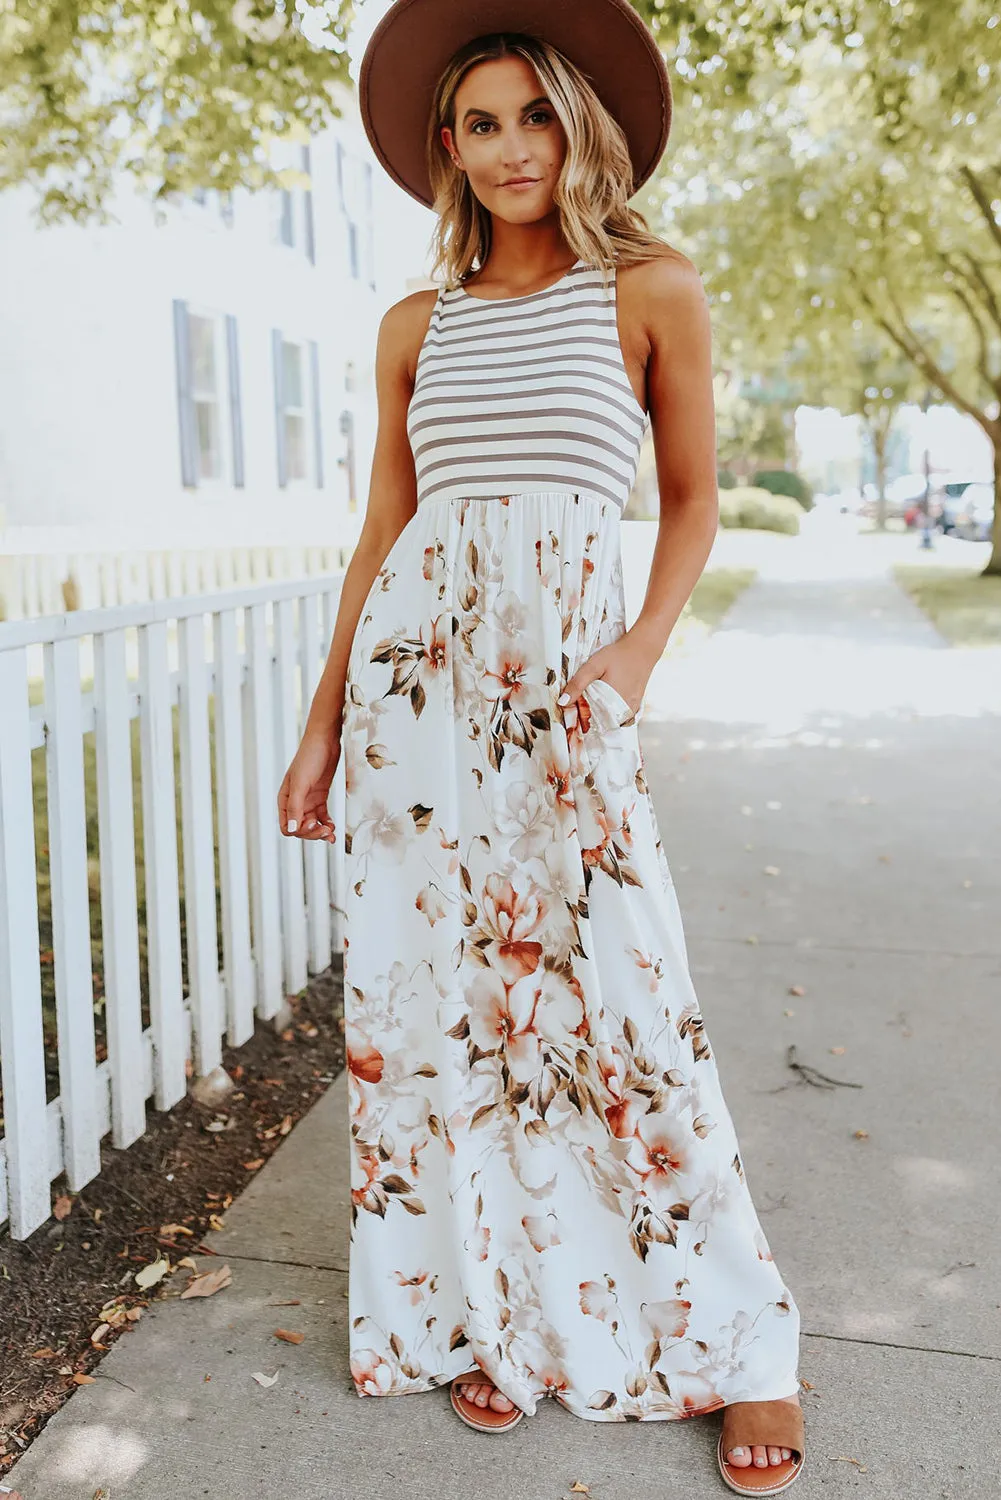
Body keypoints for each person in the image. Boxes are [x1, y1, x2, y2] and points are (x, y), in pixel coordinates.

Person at [277, 1, 805, 1491]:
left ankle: (739, 1344)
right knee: (442, 1024)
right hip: (414, 717)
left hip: (569, 703)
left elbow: (691, 500)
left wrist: (632, 660)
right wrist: (323, 729)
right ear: (448, 148)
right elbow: (382, 532)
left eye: (536, 115)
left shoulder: (650, 286)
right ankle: (488, 1319)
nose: (513, 148)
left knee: (630, 1006)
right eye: (483, 123)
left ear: (580, 125)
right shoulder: (413, 324)